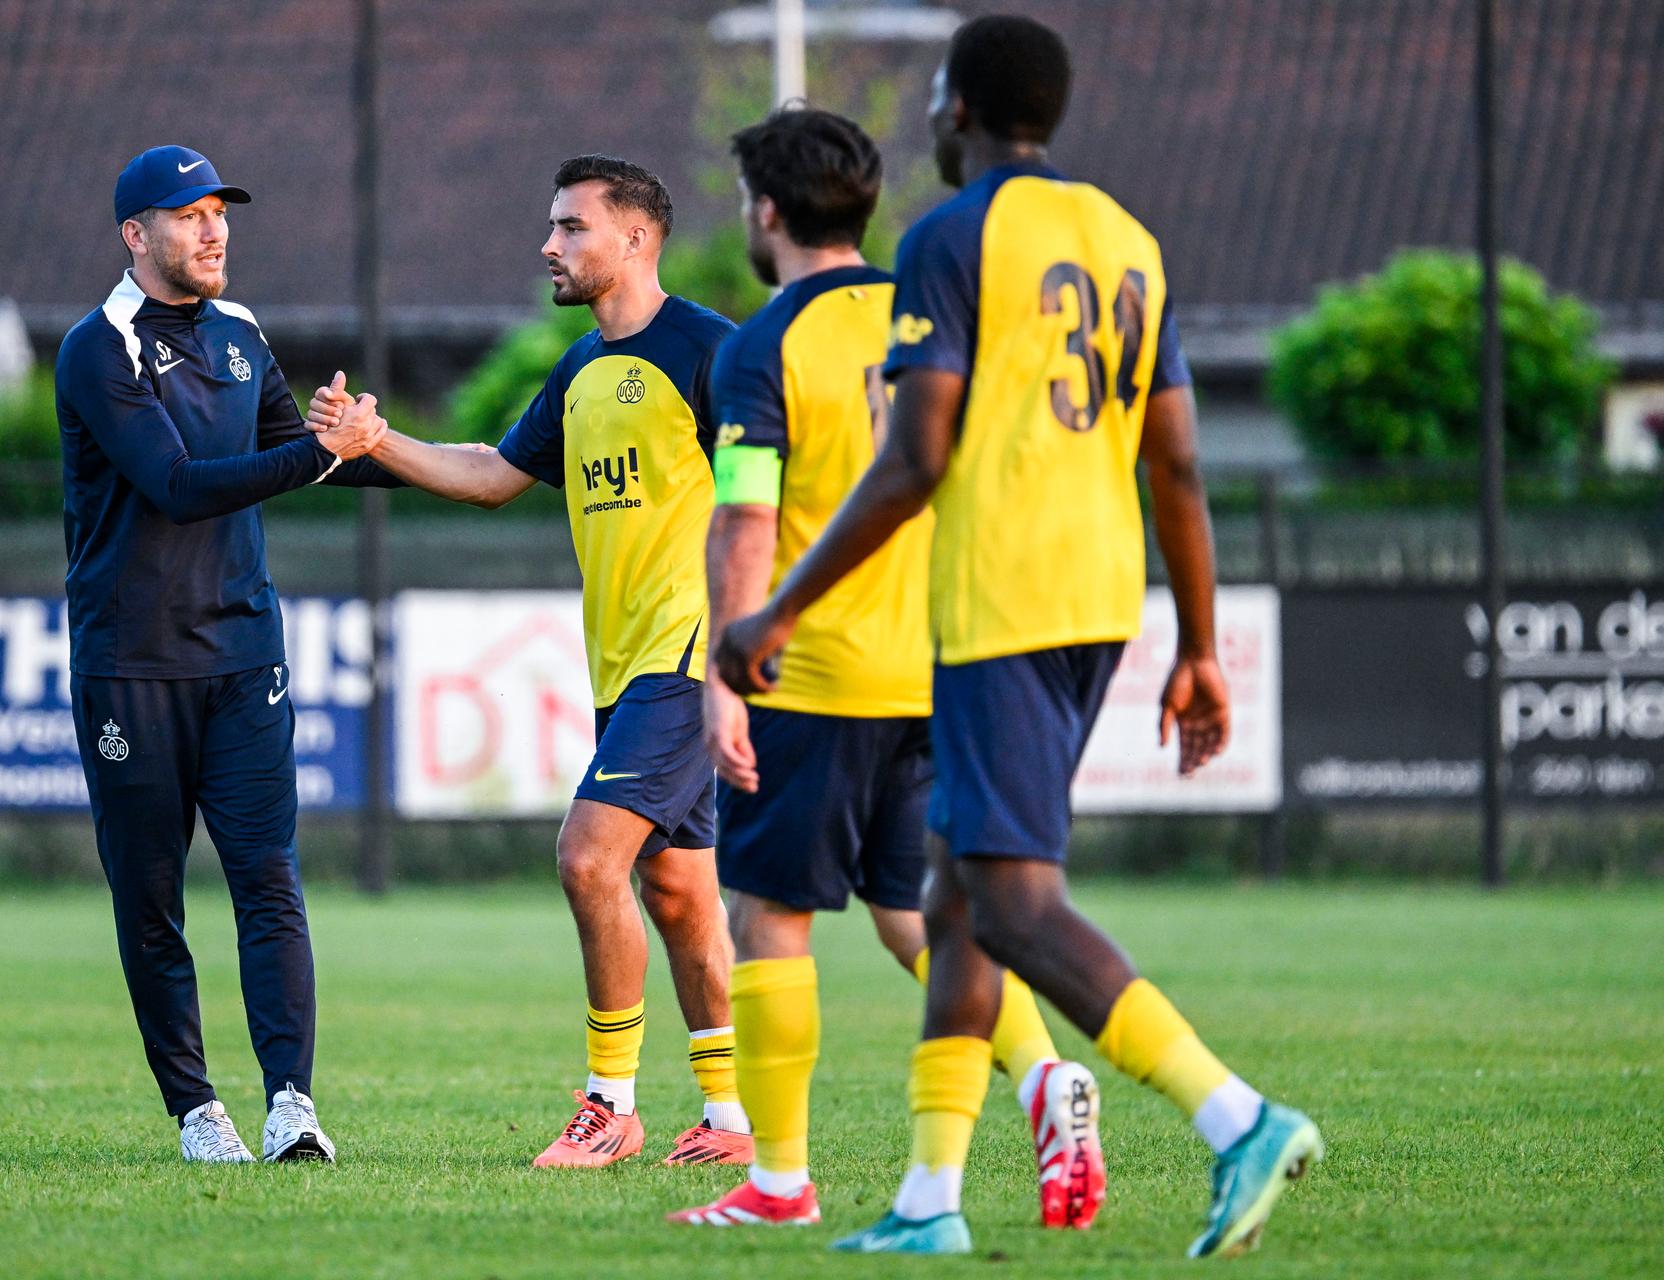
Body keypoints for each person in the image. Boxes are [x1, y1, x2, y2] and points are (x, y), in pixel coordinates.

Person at [718, 16, 1321, 1258]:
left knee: (1016, 905)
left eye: (937, 99)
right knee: (950, 902)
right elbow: (1180, 459)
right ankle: (930, 1202)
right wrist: (1198, 644)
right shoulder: (1126, 239)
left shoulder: (953, 236)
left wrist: (779, 605)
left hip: (1005, 603)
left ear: (957, 109)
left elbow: (918, 453)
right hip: (1101, 597)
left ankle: (1238, 1115)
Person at [668, 106, 1102, 1233]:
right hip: (943, 666)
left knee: (771, 914)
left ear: (765, 211)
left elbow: (746, 518)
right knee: (921, 913)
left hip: (817, 673)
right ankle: (1049, 1076)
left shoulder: (761, 345)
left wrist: (729, 669)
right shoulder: (934, 307)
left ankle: (779, 1182)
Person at [311, 155, 753, 1169]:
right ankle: (730, 1122)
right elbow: (491, 475)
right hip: (624, 665)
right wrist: (377, 443)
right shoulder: (578, 370)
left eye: (570, 228)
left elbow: (773, 497)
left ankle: (611, 1105)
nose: (549, 247)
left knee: (589, 857)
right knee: (679, 893)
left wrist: (748, 634)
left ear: (636, 238)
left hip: (688, 656)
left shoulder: (712, 352)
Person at [56, 144, 401, 1163]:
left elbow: (302, 457)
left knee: (268, 877)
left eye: (220, 212)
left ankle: (291, 1102)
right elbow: (177, 480)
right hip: (133, 659)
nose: (214, 231)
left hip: (246, 652)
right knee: (151, 894)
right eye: (188, 214)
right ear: (136, 235)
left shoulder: (244, 332)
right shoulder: (96, 345)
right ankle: (197, 1111)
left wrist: (380, 444)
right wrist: (322, 450)